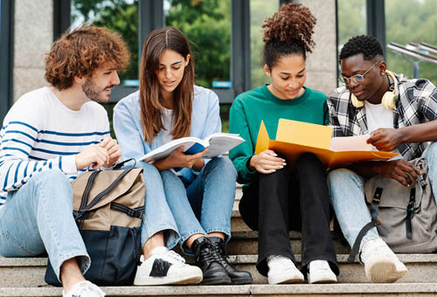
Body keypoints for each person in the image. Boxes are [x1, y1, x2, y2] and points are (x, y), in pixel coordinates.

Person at [113, 27, 252, 285]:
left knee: (223, 164)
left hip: (196, 195)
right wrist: (170, 162)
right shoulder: (127, 109)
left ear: (187, 62)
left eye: (176, 66)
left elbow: (208, 160)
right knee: (162, 173)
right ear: (148, 67)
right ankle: (202, 249)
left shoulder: (206, 99)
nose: (168, 75)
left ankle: (214, 251)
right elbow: (133, 168)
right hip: (158, 203)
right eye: (160, 67)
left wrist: (193, 160)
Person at [0, 26, 130, 297]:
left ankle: (156, 256)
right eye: (108, 72)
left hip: (71, 220)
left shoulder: (95, 113)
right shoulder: (32, 106)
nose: (116, 80)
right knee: (52, 178)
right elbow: (6, 174)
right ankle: (73, 281)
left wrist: (108, 163)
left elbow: (89, 177)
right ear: (79, 73)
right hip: (14, 230)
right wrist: (74, 161)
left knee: (135, 170)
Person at [229, 3, 339, 285]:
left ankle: (319, 260)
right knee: (274, 155)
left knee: (309, 158)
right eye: (285, 77)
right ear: (267, 70)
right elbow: (237, 166)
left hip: (310, 204)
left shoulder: (318, 102)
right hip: (262, 205)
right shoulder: (244, 104)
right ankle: (277, 259)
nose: (294, 84)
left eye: (301, 74)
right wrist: (254, 161)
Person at [327, 35, 437, 283]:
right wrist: (382, 167)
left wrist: (401, 136)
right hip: (369, 191)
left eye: (357, 76)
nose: (351, 85)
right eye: (345, 78)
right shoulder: (338, 101)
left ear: (381, 68)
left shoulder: (416, 91)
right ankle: (371, 248)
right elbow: (334, 156)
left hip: (415, 189)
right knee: (336, 174)